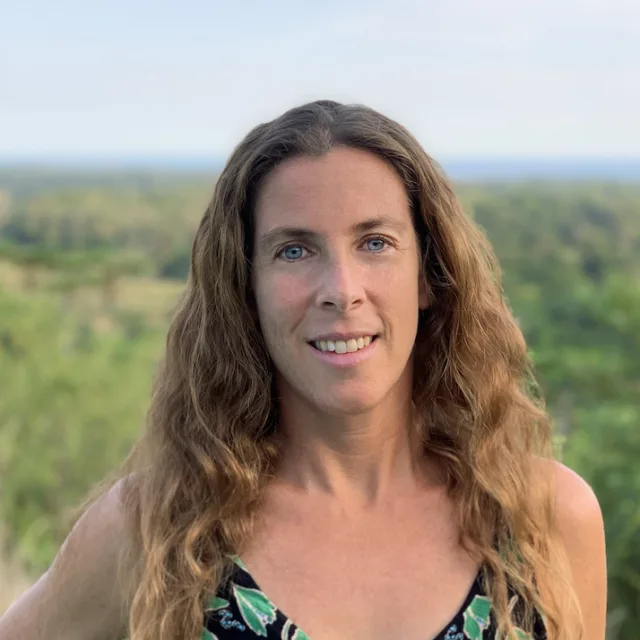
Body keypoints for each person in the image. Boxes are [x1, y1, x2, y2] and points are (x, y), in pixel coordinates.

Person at [0, 100, 606, 640]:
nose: (341, 291)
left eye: (375, 243)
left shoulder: (545, 521)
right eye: (294, 250)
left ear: (428, 273)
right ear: (248, 288)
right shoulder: (157, 532)